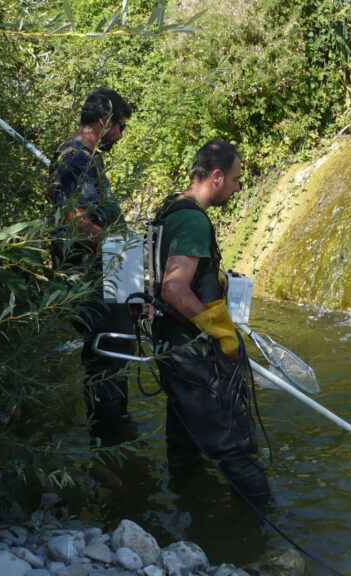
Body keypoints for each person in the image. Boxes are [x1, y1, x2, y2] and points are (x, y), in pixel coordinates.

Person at [152, 139, 270, 504]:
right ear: (216, 176)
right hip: (193, 352)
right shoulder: (191, 221)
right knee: (234, 446)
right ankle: (262, 535)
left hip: (171, 346)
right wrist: (218, 328)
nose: (237, 188)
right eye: (234, 179)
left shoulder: (170, 210)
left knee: (184, 442)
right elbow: (173, 287)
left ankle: (192, 522)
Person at [46, 88, 135, 443]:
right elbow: (74, 221)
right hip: (92, 280)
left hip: (107, 277)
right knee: (106, 355)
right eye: (120, 127)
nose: (121, 136)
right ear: (104, 121)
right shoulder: (76, 159)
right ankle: (109, 439)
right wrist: (121, 246)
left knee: (116, 352)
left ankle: (115, 434)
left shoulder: (83, 159)